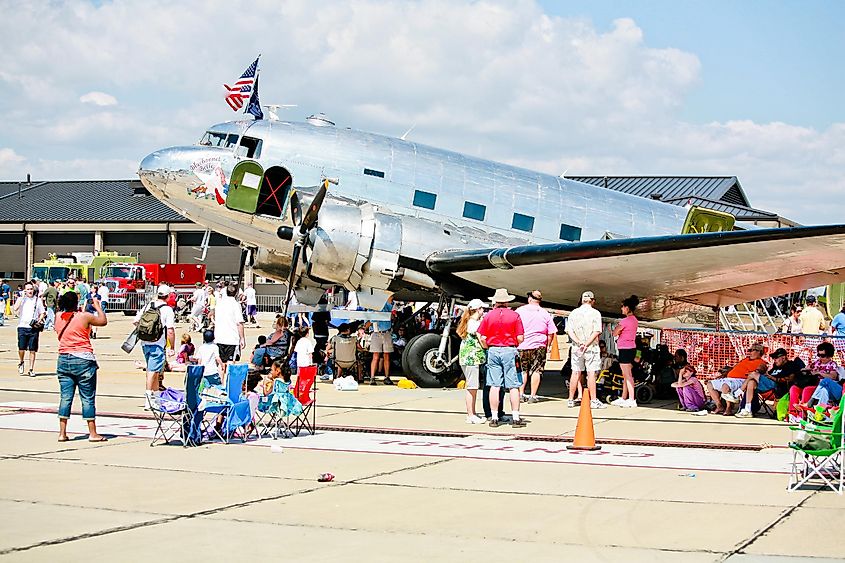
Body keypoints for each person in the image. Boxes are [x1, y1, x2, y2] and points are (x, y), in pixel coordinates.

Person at [54, 291, 108, 442]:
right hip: (83, 359)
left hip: (63, 358)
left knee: (65, 397)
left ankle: (62, 433)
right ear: (76, 303)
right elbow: (103, 321)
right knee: (87, 397)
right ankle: (93, 433)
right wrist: (97, 306)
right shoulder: (83, 316)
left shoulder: (58, 316)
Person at [477, 288, 526, 428]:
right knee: (513, 385)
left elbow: (481, 336)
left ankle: (493, 417)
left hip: (493, 350)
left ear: (495, 301)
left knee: (494, 385)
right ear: (507, 301)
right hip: (509, 350)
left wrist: (487, 347)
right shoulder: (514, 316)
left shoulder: (488, 316)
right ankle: (516, 418)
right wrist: (515, 344)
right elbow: (520, 338)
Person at [134, 284, 176, 404]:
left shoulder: (148, 306)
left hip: (145, 343)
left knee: (155, 370)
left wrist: (146, 332)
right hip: (157, 343)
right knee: (152, 371)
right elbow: (171, 330)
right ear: (168, 296)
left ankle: (157, 397)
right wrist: (171, 346)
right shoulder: (167, 309)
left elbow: (135, 321)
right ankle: (149, 399)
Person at [516, 290, 557, 404]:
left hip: (522, 345)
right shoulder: (544, 313)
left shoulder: (519, 311)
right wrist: (548, 345)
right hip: (539, 345)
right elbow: (551, 333)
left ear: (529, 299)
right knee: (536, 370)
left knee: (523, 370)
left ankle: (521, 393)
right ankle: (532, 395)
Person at [565, 291, 604, 409]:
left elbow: (569, 330)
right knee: (591, 373)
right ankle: (593, 400)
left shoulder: (574, 313)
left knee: (575, 372)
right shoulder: (595, 313)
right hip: (591, 347)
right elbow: (597, 331)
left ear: (582, 300)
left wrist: (578, 342)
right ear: (592, 300)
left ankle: (571, 399)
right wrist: (587, 343)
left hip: (577, 347)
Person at [705, 342, 767, 416]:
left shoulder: (761, 363)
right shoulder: (745, 360)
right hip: (729, 378)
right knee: (710, 384)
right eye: (749, 350)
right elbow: (735, 368)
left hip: (741, 380)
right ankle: (719, 406)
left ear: (759, 352)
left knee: (725, 386)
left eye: (752, 350)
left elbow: (758, 373)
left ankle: (729, 408)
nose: (749, 352)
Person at [457, 299, 487, 424]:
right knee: (472, 387)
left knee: (472, 385)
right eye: (482, 309)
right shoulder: (475, 324)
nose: (483, 311)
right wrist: (487, 347)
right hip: (471, 358)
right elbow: (482, 340)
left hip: (466, 357)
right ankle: (470, 415)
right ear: (478, 310)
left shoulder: (468, 322)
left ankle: (472, 413)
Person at [611, 295, 640, 408]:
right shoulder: (634, 320)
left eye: (622, 307)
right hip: (630, 348)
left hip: (625, 349)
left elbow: (615, 333)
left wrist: (615, 329)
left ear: (627, 308)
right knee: (626, 374)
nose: (621, 309)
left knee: (627, 375)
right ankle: (624, 397)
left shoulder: (625, 321)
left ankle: (632, 399)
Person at [14, 282, 46, 377]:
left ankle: (31, 369)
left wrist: (39, 320)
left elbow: (42, 312)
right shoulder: (21, 299)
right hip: (22, 326)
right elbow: (15, 309)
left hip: (33, 328)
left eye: (31, 289)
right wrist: (21, 298)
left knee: (33, 349)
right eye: (27, 289)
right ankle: (21, 361)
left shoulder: (37, 300)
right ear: (24, 290)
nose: (30, 291)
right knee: (21, 348)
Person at [214, 283, 246, 364]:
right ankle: (228, 376)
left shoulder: (219, 304)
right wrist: (242, 338)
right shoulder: (236, 304)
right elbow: (239, 323)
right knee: (230, 363)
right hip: (232, 338)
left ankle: (221, 377)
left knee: (220, 364)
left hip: (219, 337)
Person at [368, 294, 395, 385]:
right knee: (376, 356)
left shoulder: (386, 304)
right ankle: (372, 377)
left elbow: (391, 298)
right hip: (376, 332)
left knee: (386, 355)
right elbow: (370, 319)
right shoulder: (372, 306)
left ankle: (387, 377)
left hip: (386, 332)